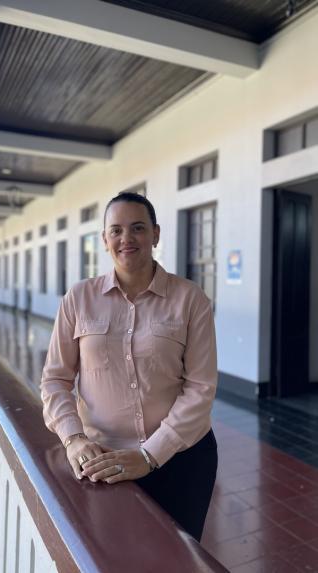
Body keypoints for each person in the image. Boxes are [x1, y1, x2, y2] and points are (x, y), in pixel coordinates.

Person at [41, 192, 218, 542]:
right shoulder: (78, 298)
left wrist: (150, 455)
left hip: (181, 460)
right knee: (113, 552)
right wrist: (74, 440)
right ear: (105, 239)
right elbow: (55, 379)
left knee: (177, 556)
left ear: (155, 234)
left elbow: (200, 388)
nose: (127, 239)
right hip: (102, 460)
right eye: (116, 230)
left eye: (137, 228)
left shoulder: (190, 299)